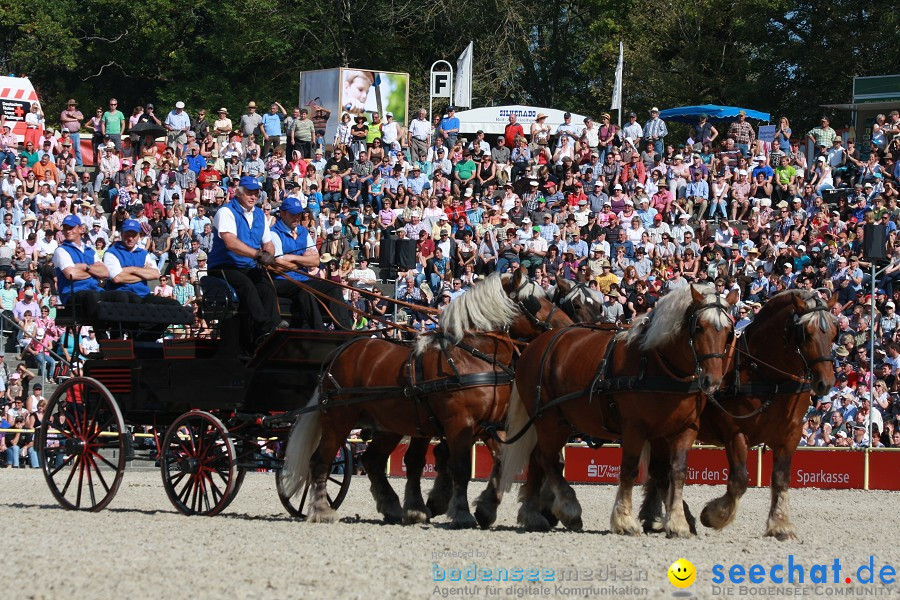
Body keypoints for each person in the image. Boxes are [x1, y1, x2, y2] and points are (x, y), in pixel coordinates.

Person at [207, 175, 284, 346]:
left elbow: (268, 243)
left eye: (256, 193)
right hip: (224, 266)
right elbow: (231, 243)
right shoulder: (226, 211)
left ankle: (274, 328)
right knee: (247, 285)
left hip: (247, 266)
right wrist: (258, 255)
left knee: (266, 286)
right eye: (249, 192)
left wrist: (269, 255)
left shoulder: (259, 214)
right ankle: (264, 328)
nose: (253, 197)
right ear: (238, 192)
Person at [269, 197, 351, 330]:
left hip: (303, 278)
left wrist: (290, 257)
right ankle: (318, 330)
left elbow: (316, 260)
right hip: (282, 280)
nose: (296, 218)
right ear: (283, 213)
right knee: (306, 289)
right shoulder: (273, 233)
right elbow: (279, 266)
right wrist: (303, 260)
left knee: (334, 287)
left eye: (299, 214)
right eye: (292, 214)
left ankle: (345, 330)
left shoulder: (302, 231)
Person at [103, 219, 179, 304]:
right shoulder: (111, 253)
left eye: (134, 235)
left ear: (139, 235)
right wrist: (143, 273)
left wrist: (132, 270)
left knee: (173, 304)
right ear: (122, 234)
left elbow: (156, 274)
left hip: (143, 295)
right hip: (121, 295)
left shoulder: (143, 253)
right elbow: (117, 278)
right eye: (127, 235)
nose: (130, 238)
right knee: (129, 299)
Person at [52, 215, 108, 320]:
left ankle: (118, 335)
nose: (68, 231)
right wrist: (95, 273)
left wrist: (85, 267)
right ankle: (101, 333)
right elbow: (71, 274)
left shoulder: (89, 250)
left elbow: (105, 272)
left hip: (93, 290)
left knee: (120, 296)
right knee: (93, 296)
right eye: (65, 228)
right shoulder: (61, 250)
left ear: (80, 229)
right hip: (72, 295)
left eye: (71, 228)